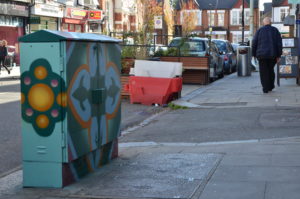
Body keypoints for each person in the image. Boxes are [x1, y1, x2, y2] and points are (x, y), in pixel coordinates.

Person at [252, 17, 282, 93]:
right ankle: (271, 86)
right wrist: (279, 55)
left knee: (263, 72)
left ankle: (265, 88)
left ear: (263, 23)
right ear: (270, 22)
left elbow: (254, 42)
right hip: (273, 54)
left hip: (261, 55)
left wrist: (253, 54)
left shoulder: (259, 30)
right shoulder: (275, 30)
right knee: (270, 70)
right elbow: (279, 43)